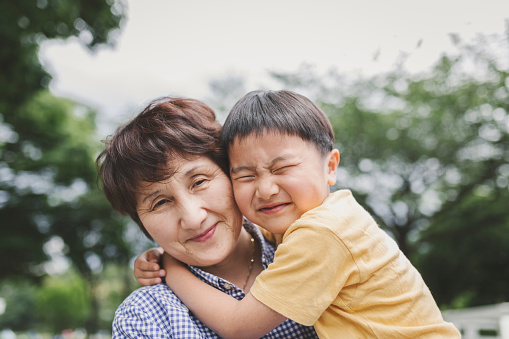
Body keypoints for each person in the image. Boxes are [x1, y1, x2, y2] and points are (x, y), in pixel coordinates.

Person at [147, 90, 461, 338]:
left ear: (330, 167)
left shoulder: (322, 233)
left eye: (282, 168)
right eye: (244, 176)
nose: (266, 189)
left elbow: (238, 327)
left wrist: (171, 264)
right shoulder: (314, 221)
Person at [96, 97, 318, 338]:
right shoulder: (145, 317)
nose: (193, 219)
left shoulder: (312, 252)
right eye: (160, 203)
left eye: (199, 182)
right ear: (141, 222)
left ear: (232, 173)